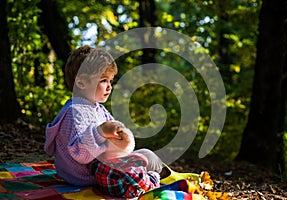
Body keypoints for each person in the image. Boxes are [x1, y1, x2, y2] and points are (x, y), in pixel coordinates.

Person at [44, 45, 200, 198]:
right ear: (81, 83)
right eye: (104, 80)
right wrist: (100, 132)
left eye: (111, 81)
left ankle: (168, 175)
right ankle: (154, 179)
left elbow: (118, 136)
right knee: (126, 175)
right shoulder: (75, 112)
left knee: (147, 154)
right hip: (84, 174)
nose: (110, 87)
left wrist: (123, 137)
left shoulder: (98, 109)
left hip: (101, 166)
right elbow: (80, 154)